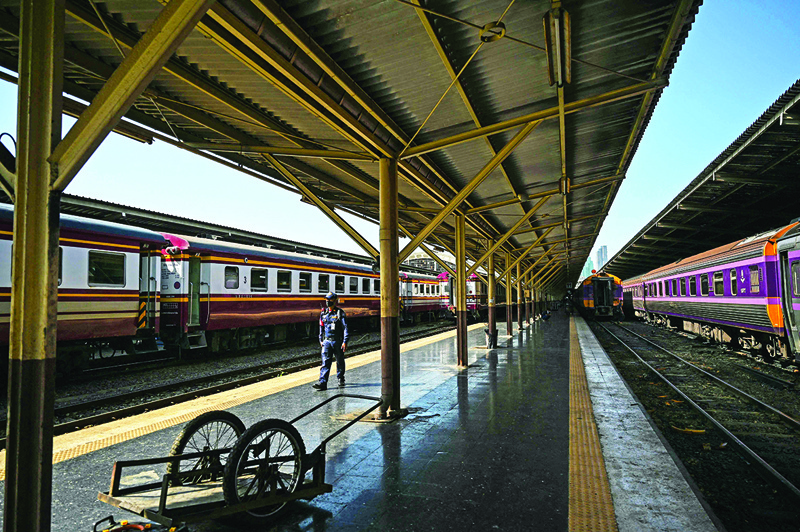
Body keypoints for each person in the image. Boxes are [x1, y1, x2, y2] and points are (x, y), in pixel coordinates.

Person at [313, 292, 348, 391]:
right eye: (326, 300)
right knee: (325, 362)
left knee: (339, 360)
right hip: (327, 341)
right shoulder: (323, 313)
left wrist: (345, 341)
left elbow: (345, 327)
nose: (328, 302)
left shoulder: (339, 313)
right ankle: (322, 382)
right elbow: (321, 327)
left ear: (334, 301)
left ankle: (340, 377)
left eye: (330, 300)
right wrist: (321, 339)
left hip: (337, 341)